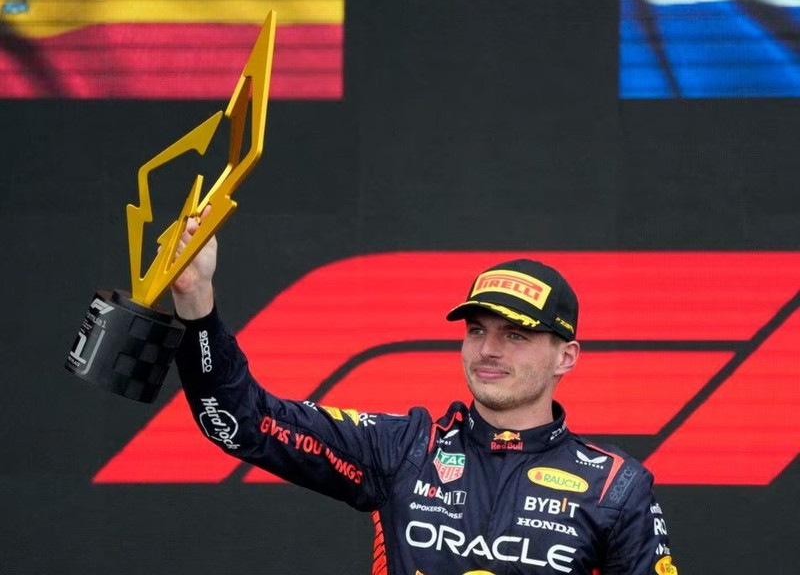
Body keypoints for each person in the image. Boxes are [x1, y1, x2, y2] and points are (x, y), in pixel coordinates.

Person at [171, 215, 678, 575]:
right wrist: (196, 303)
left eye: (515, 335)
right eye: (477, 331)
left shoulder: (616, 486)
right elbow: (241, 422)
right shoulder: (405, 449)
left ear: (566, 357)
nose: (488, 350)